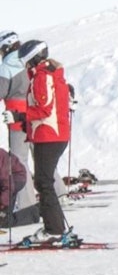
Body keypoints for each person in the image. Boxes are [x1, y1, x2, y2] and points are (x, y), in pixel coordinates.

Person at [2, 40, 73, 244]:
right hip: (50, 134)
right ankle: (55, 226)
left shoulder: (42, 77)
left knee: (43, 182)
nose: (23, 64)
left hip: (48, 134)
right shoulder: (47, 74)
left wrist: (18, 117)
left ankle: (54, 230)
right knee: (44, 181)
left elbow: (44, 109)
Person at [0, 30, 39, 215]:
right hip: (34, 113)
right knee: (39, 157)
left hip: (16, 116)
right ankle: (59, 193)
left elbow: (1, 91)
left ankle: (26, 204)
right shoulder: (26, 59)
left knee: (19, 161)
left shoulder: (7, 65)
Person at [0, 148, 38, 227]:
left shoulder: (1, 158)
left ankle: (34, 213)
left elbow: (8, 185)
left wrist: (2, 204)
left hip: (15, 178)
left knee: (3, 221)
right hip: (4, 183)